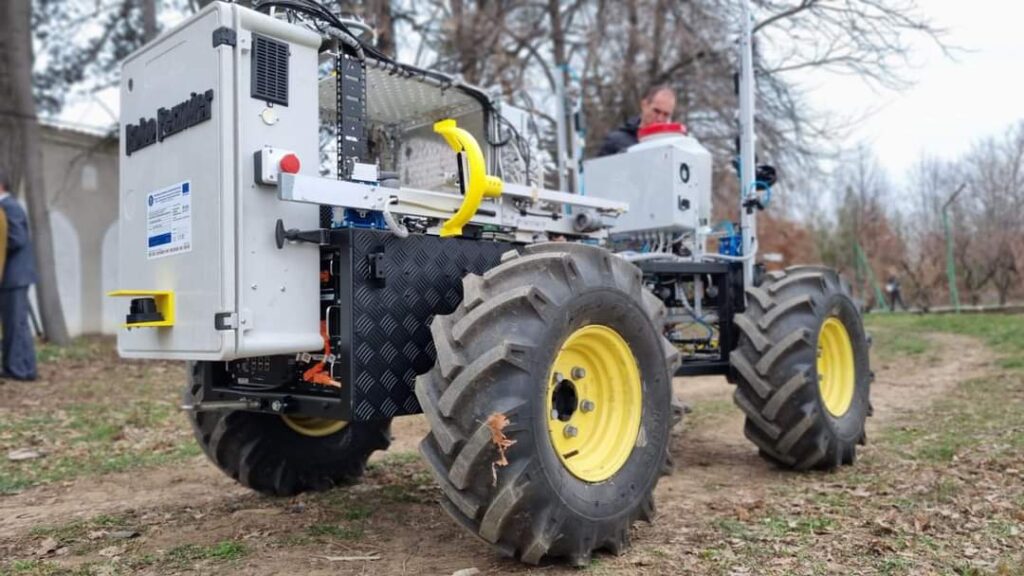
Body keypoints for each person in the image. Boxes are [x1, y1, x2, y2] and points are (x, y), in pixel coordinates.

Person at [0, 168, 38, 381]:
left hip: (15, 276)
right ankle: (19, 368)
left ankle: (19, 369)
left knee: (16, 324)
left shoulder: (9, 207)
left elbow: (17, 239)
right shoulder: (6, 207)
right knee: (14, 324)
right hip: (12, 276)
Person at [597, 84, 677, 156]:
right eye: (656, 111)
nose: (660, 119)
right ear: (644, 105)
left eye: (666, 114)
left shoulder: (672, 146)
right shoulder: (615, 142)